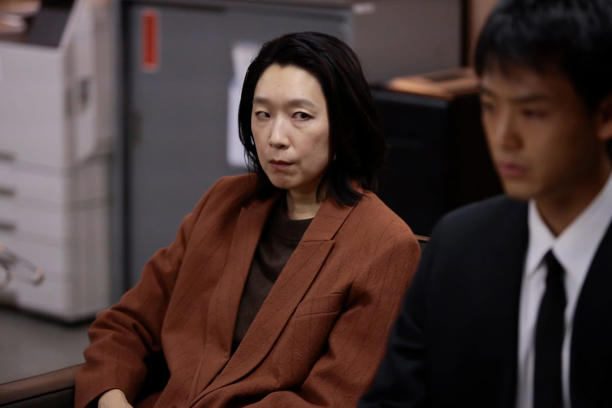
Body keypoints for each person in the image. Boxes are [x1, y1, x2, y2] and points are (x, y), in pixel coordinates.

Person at [75, 32, 420, 408]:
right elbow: (127, 325)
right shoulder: (225, 201)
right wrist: (112, 401)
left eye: (301, 116)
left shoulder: (384, 246)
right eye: (263, 114)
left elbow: (330, 400)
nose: (275, 137)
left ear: (345, 128)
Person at [358, 1, 612, 407]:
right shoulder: (457, 247)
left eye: (532, 112)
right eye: (490, 107)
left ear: (604, 115)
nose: (504, 137)